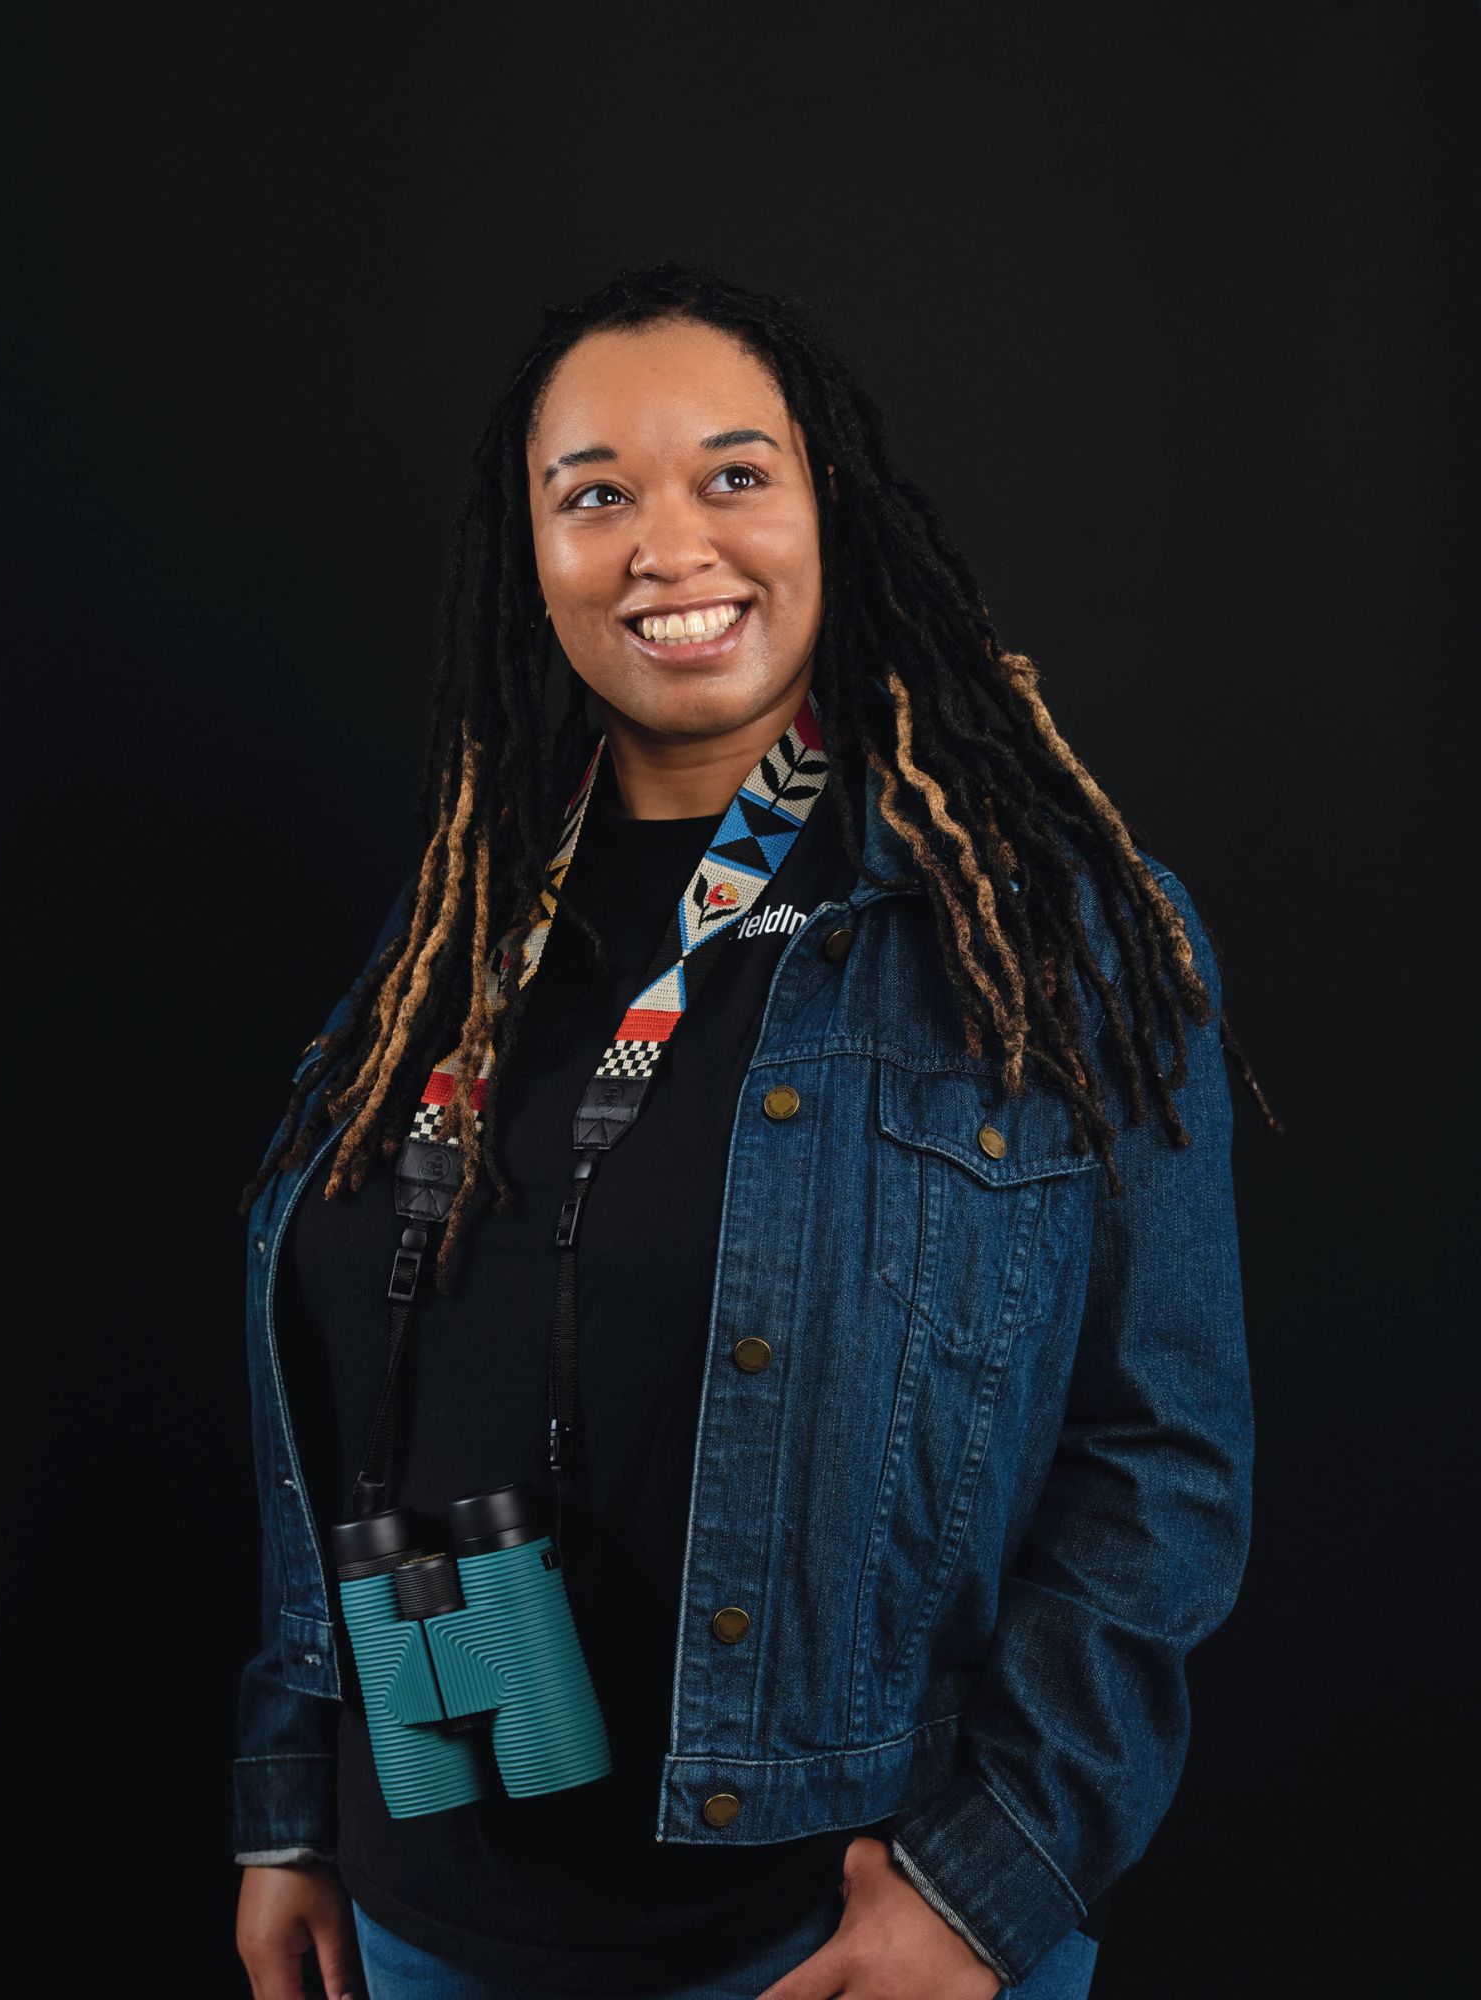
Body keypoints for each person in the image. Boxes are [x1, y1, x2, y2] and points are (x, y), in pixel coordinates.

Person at [230, 267, 1264, 2000]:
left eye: (732, 476)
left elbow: (1167, 1460)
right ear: (534, 551)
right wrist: (292, 1802)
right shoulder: (456, 935)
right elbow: (340, 1414)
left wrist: (988, 1883)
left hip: (828, 1932)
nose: (669, 547)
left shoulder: (1050, 932)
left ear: (825, 512)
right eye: (599, 496)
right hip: (427, 1912)